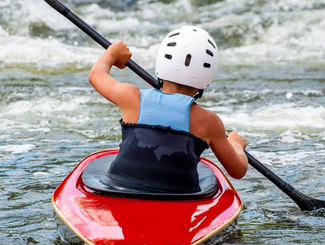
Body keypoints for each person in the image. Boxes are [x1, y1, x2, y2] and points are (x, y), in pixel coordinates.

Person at [89, 26, 247, 193]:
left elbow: (96, 75)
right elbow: (238, 170)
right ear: (207, 77)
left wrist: (112, 55)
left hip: (120, 189)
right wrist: (236, 145)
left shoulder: (132, 97)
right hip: (180, 198)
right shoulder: (209, 122)